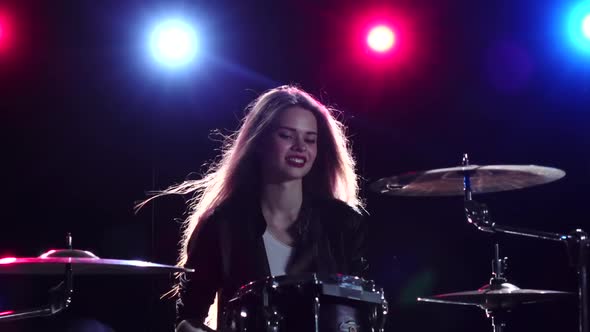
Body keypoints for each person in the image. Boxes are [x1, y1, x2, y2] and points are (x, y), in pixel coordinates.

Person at [140, 85, 368, 332]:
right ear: (260, 142)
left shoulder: (343, 223)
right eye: (286, 135)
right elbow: (188, 317)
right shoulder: (222, 224)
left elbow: (362, 311)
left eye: (309, 139)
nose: (300, 146)